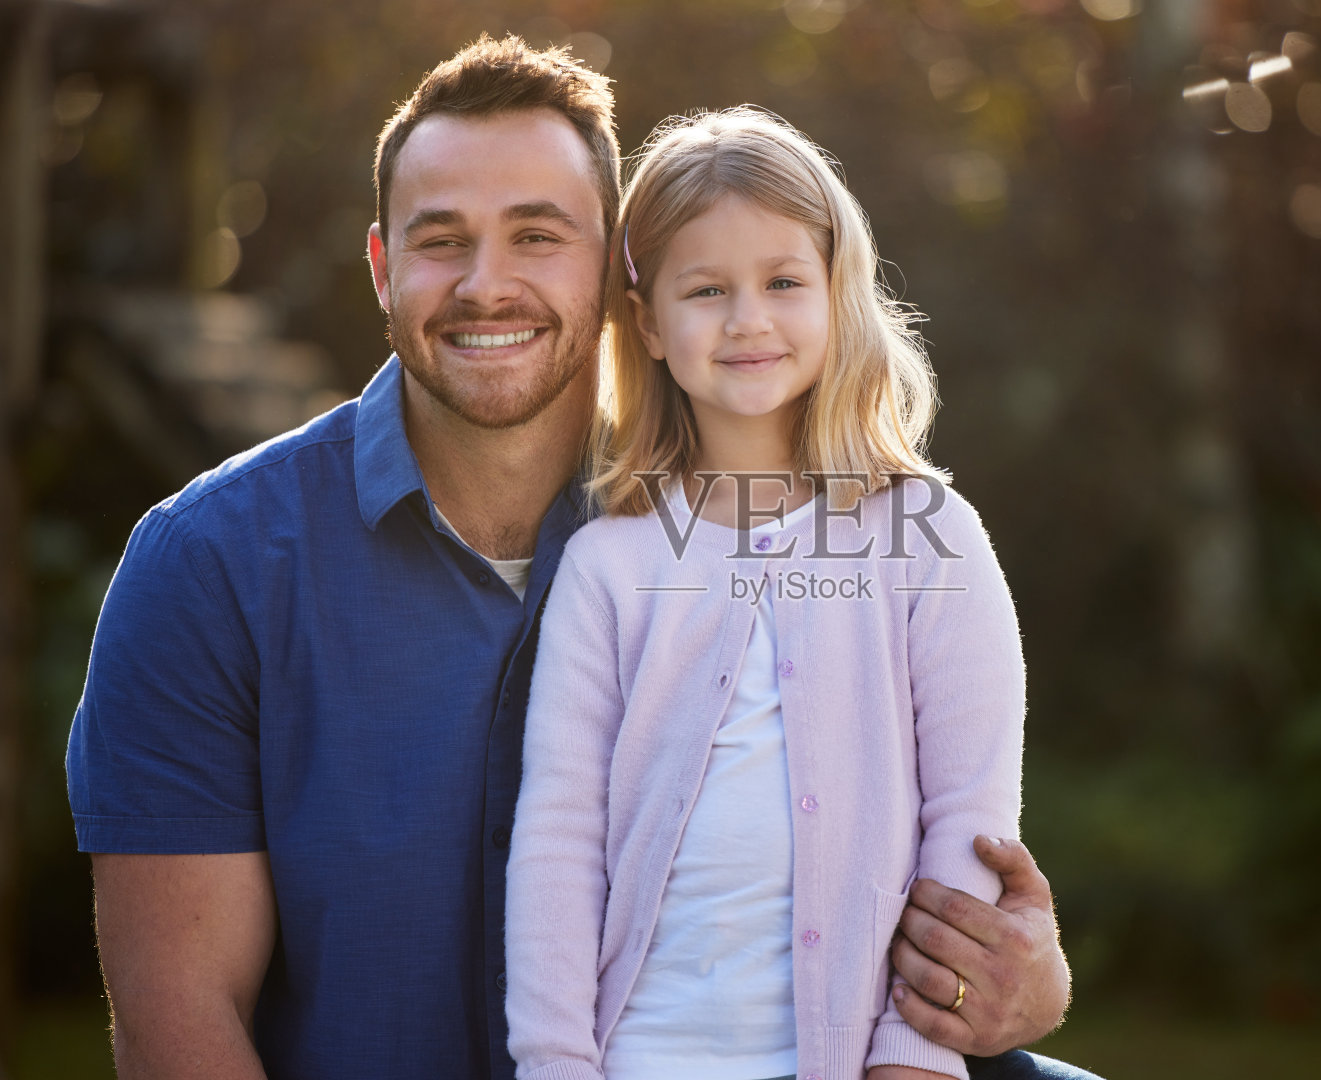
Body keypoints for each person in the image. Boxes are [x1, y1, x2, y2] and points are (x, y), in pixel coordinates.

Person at [65, 35, 1083, 1080]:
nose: (486, 284)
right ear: (382, 268)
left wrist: (1019, 985)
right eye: (441, 240)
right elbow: (177, 1025)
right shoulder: (210, 566)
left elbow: (918, 839)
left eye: (537, 236)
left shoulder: (727, 527)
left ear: (611, 275)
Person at [505, 105, 1046, 1080]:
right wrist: (554, 1064)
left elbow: (968, 820)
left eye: (784, 282)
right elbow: (557, 839)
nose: (747, 318)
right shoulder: (608, 566)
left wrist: (913, 1055)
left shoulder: (928, 539)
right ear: (651, 326)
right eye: (706, 289)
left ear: (837, 296)